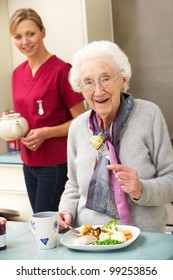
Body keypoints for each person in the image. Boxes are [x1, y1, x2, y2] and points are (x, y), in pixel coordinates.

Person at [58, 40, 173, 233]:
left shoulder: (149, 115)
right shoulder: (78, 127)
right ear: (81, 88)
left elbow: (170, 180)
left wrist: (141, 189)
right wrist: (66, 210)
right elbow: (73, 184)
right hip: (90, 236)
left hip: (142, 236)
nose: (98, 91)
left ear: (123, 80)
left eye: (105, 79)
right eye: (88, 82)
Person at [9, 8, 85, 213]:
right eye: (18, 36)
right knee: (41, 224)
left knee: (48, 226)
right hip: (28, 162)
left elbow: (82, 121)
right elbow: (27, 116)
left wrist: (46, 132)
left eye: (30, 33)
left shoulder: (62, 70)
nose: (25, 41)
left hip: (55, 164)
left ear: (43, 32)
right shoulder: (17, 74)